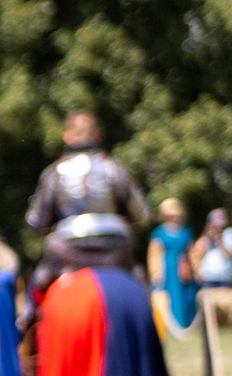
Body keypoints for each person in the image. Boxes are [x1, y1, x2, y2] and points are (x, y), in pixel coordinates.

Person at [22, 110, 148, 321]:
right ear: (98, 134)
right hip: (115, 249)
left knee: (38, 284)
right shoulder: (115, 169)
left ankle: (28, 323)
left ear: (67, 136)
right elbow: (141, 214)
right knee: (140, 285)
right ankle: (148, 324)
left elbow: (36, 221)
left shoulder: (55, 172)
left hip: (66, 250)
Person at [148, 197, 197, 328]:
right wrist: (156, 272)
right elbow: (154, 254)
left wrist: (195, 268)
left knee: (186, 296)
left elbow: (192, 251)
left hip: (184, 266)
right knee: (169, 296)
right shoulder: (159, 232)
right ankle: (170, 324)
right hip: (167, 267)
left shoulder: (186, 231)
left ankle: (186, 323)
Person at [197, 207, 232, 291]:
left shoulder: (230, 233)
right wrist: (207, 234)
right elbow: (199, 250)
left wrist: (219, 239)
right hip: (208, 277)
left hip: (226, 277)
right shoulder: (207, 238)